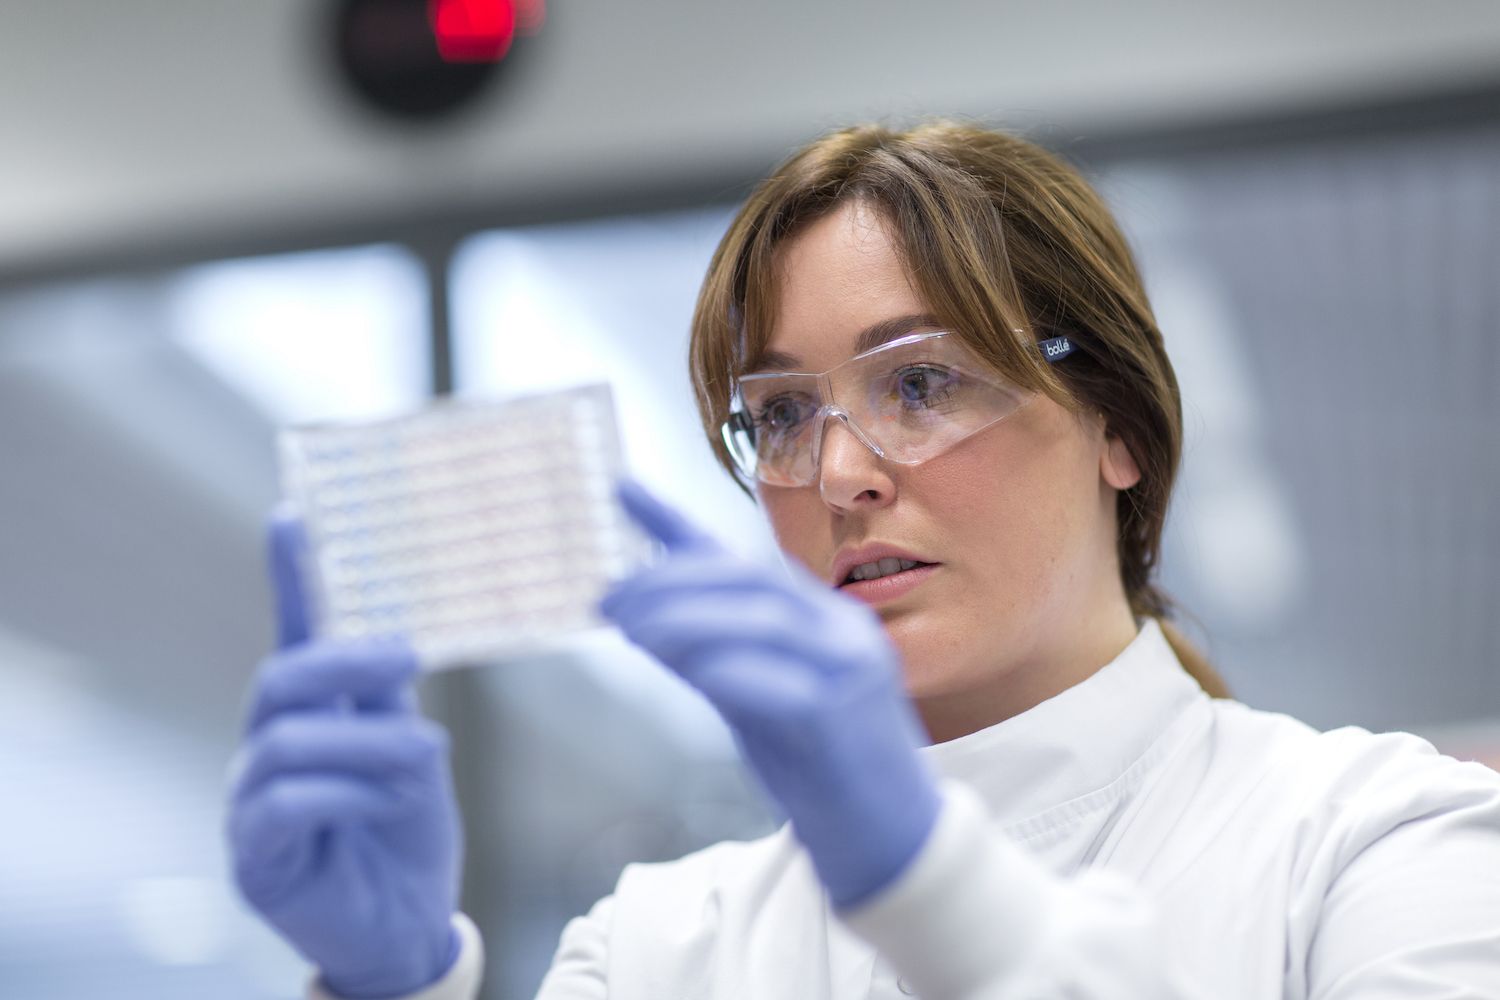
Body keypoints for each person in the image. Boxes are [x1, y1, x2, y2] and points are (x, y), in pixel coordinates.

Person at [227, 122, 1500, 999]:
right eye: (781, 414)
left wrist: (924, 881)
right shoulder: (665, 942)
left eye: (923, 381)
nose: (842, 474)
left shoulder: (1381, 845)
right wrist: (391, 983)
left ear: (1117, 423)